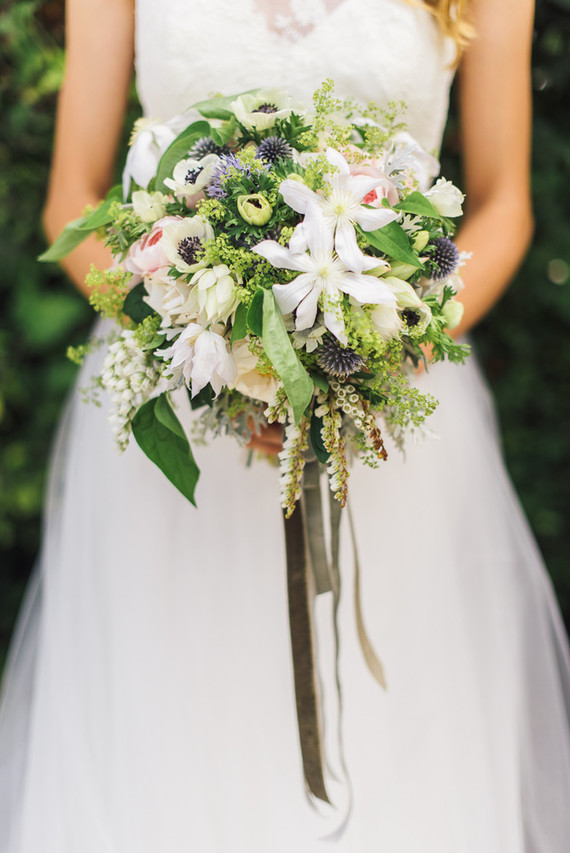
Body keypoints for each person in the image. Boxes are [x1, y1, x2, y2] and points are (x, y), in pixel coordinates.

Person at [1, 0, 569, 850]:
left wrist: (379, 360)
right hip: (180, 422)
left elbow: (504, 206)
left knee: (396, 761)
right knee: (171, 755)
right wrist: (210, 352)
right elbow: (70, 203)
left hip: (387, 437)